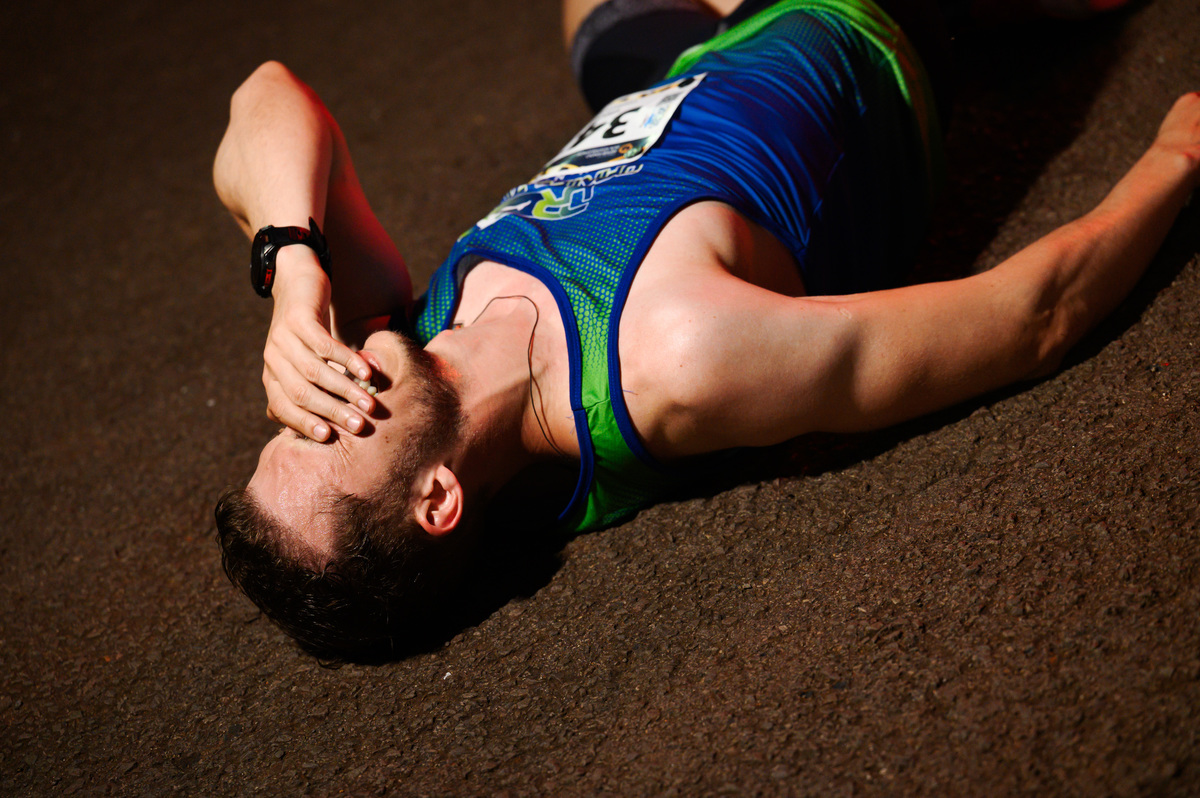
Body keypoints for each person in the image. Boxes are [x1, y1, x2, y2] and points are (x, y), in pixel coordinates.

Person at [213, 0, 1198, 658]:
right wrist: (1179, 155)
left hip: (687, 63)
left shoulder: (408, 340)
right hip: (870, 24)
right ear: (437, 498)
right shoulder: (671, 360)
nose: (313, 390)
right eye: (327, 433)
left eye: (289, 417)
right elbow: (1034, 318)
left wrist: (292, 263)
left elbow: (266, 92)